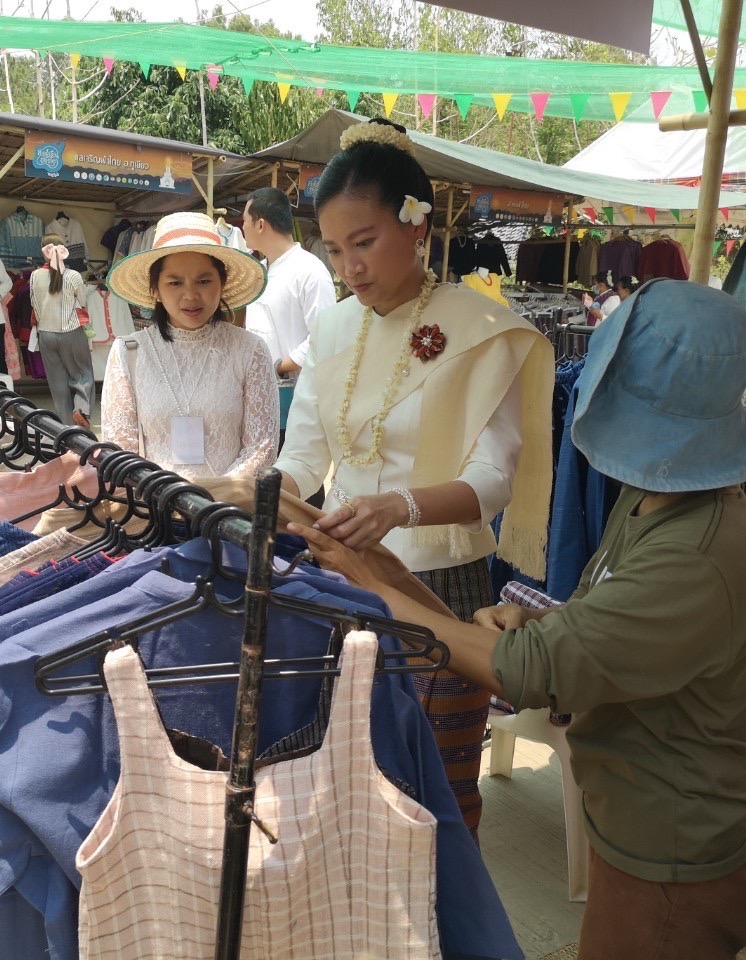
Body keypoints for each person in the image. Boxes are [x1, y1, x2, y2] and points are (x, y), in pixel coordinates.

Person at [290, 279, 746, 960]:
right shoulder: (658, 503)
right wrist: (533, 615)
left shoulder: (694, 548)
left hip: (671, 855)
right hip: (647, 832)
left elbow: (532, 673)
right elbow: (608, 626)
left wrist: (376, 584)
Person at [274, 117, 553, 835]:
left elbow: (493, 480)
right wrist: (268, 494)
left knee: (435, 789)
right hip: (336, 568)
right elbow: (304, 455)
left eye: (363, 243)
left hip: (440, 583)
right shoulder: (332, 329)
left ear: (417, 227)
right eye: (334, 250)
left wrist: (399, 506)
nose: (349, 269)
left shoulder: (480, 328)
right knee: (338, 774)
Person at [101, 211, 278, 480]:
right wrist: (166, 500)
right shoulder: (128, 353)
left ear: (222, 283)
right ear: (156, 290)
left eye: (204, 281)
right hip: (152, 512)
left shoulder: (249, 350)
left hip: (227, 514)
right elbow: (120, 450)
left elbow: (261, 450)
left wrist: (209, 501)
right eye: (174, 283)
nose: (191, 295)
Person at [241, 187, 337, 383]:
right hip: (259, 390)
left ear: (260, 225)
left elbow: (325, 336)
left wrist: (280, 368)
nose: (242, 227)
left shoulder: (311, 272)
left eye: (244, 220)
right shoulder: (257, 273)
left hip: (297, 394)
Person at [30, 233, 95, 429]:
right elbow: (82, 302)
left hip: (46, 334)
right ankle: (81, 410)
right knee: (82, 374)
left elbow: (34, 305)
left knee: (57, 383)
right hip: (71, 332)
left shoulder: (35, 275)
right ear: (64, 250)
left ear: (43, 251)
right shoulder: (73, 276)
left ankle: (67, 429)